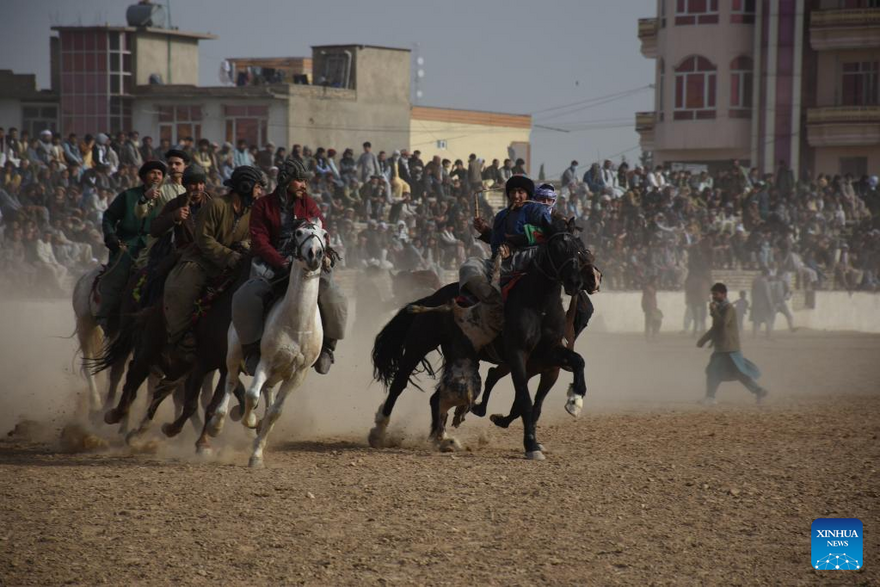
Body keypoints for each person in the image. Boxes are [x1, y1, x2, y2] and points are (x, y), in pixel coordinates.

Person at [232, 157, 348, 375]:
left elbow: (322, 234)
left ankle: (327, 349)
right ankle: (251, 350)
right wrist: (280, 261)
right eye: (300, 181)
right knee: (246, 296)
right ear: (286, 180)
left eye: (305, 181)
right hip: (270, 263)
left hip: (306, 262)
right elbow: (259, 240)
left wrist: (324, 252)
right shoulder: (262, 205)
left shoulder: (309, 204)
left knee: (336, 296)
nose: (304, 185)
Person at [162, 166, 261, 362]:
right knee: (179, 289)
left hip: (235, 262)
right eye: (257, 187)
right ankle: (180, 337)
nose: (260, 192)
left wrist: (246, 245)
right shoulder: (216, 205)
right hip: (201, 260)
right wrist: (227, 255)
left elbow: (253, 237)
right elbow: (203, 238)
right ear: (245, 186)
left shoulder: (252, 212)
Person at [95, 160, 168, 330]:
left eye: (159, 173)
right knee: (118, 272)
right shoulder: (128, 195)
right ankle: (104, 315)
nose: (156, 176)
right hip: (126, 245)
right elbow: (109, 217)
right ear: (143, 177)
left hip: (154, 246)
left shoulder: (166, 199)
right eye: (152, 173)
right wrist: (111, 236)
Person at [697, 282, 768, 405]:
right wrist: (703, 339)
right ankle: (758, 391)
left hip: (728, 347)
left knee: (713, 371)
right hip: (724, 347)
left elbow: (722, 324)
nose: (713, 297)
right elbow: (715, 327)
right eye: (712, 294)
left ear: (724, 294)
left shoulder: (728, 308)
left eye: (716, 294)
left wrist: (713, 311)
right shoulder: (720, 308)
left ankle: (710, 397)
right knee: (738, 372)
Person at [750, 268, 774, 338]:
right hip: (764, 305)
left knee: (756, 321)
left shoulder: (755, 280)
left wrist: (753, 301)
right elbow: (767, 295)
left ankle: (755, 336)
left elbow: (752, 292)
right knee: (768, 320)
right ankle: (768, 336)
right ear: (767, 274)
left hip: (756, 303)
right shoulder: (765, 282)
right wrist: (771, 305)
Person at [641, 276, 662, 341]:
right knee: (650, 322)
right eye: (656, 281)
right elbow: (645, 299)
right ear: (653, 281)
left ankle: (651, 335)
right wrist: (646, 307)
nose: (657, 282)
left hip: (653, 307)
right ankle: (649, 336)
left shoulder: (652, 288)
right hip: (650, 307)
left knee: (655, 321)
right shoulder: (648, 288)